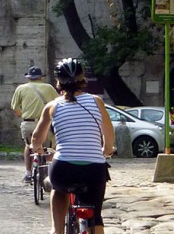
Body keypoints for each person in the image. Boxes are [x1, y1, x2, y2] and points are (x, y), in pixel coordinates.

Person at [31, 58, 115, 234]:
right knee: (96, 216)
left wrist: (39, 150)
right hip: (94, 169)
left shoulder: (52, 106)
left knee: (58, 189)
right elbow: (109, 138)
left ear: (58, 82)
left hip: (64, 168)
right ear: (82, 79)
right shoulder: (97, 101)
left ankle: (57, 230)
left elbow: (37, 138)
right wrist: (106, 151)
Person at [10, 66, 59, 182]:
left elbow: (14, 107)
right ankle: (50, 173)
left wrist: (24, 115)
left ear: (29, 78)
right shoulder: (49, 88)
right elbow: (58, 104)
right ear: (40, 77)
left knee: (28, 146)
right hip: (46, 125)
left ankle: (27, 173)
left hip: (28, 123)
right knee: (50, 148)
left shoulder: (20, 88)